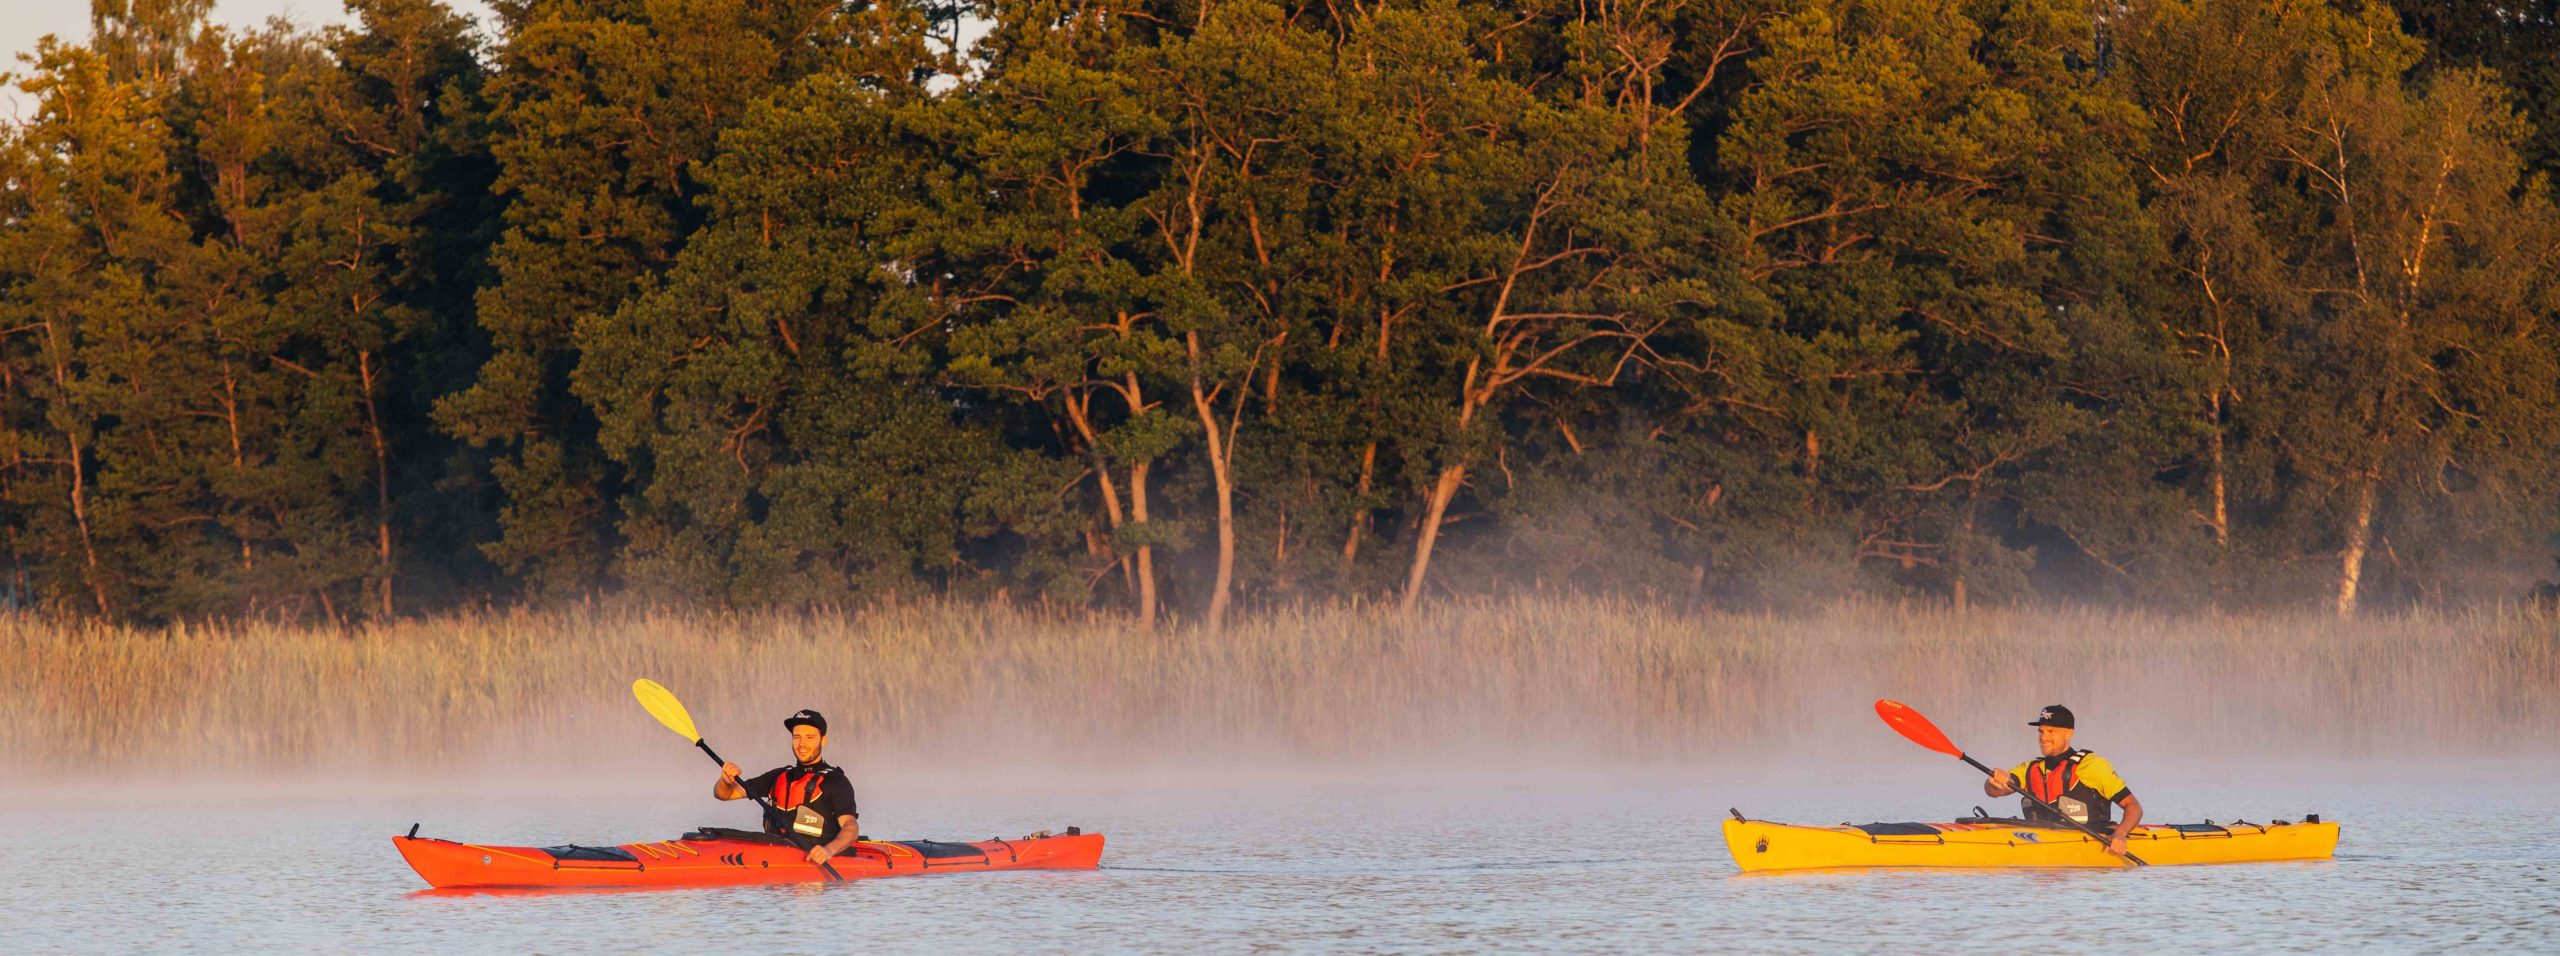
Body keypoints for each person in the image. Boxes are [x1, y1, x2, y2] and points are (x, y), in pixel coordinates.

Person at [1982, 705, 2144, 856]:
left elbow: (2133, 806)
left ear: (2069, 733)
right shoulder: (2030, 768)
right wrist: (1994, 782)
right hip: (2041, 842)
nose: (2043, 737)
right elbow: (1994, 791)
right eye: (2041, 731)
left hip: (2089, 842)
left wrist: (2120, 834)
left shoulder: (2092, 765)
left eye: (2050, 731)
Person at [716, 708, 860, 865]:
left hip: (817, 860)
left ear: (823, 740)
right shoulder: (778, 777)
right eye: (797, 737)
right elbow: (724, 794)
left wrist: (828, 850)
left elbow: (850, 827)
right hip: (773, 857)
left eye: (809, 737)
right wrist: (725, 780)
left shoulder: (836, 781)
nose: (802, 744)